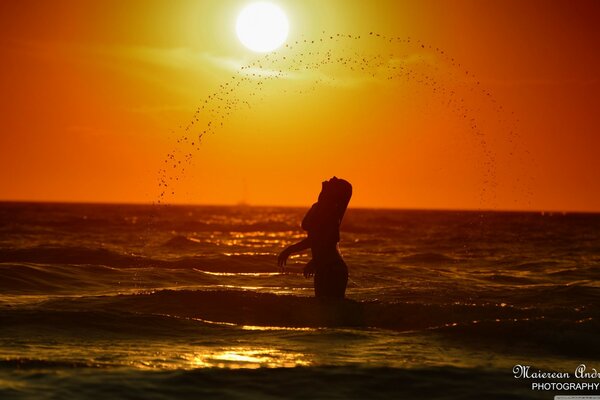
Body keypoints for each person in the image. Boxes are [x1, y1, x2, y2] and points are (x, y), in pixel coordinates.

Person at [277, 177, 352, 299]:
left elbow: (322, 240)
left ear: (335, 192)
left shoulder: (330, 211)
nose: (332, 177)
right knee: (325, 308)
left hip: (331, 267)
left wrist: (290, 251)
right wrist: (315, 260)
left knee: (329, 308)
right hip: (325, 265)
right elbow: (319, 240)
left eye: (335, 181)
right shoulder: (320, 207)